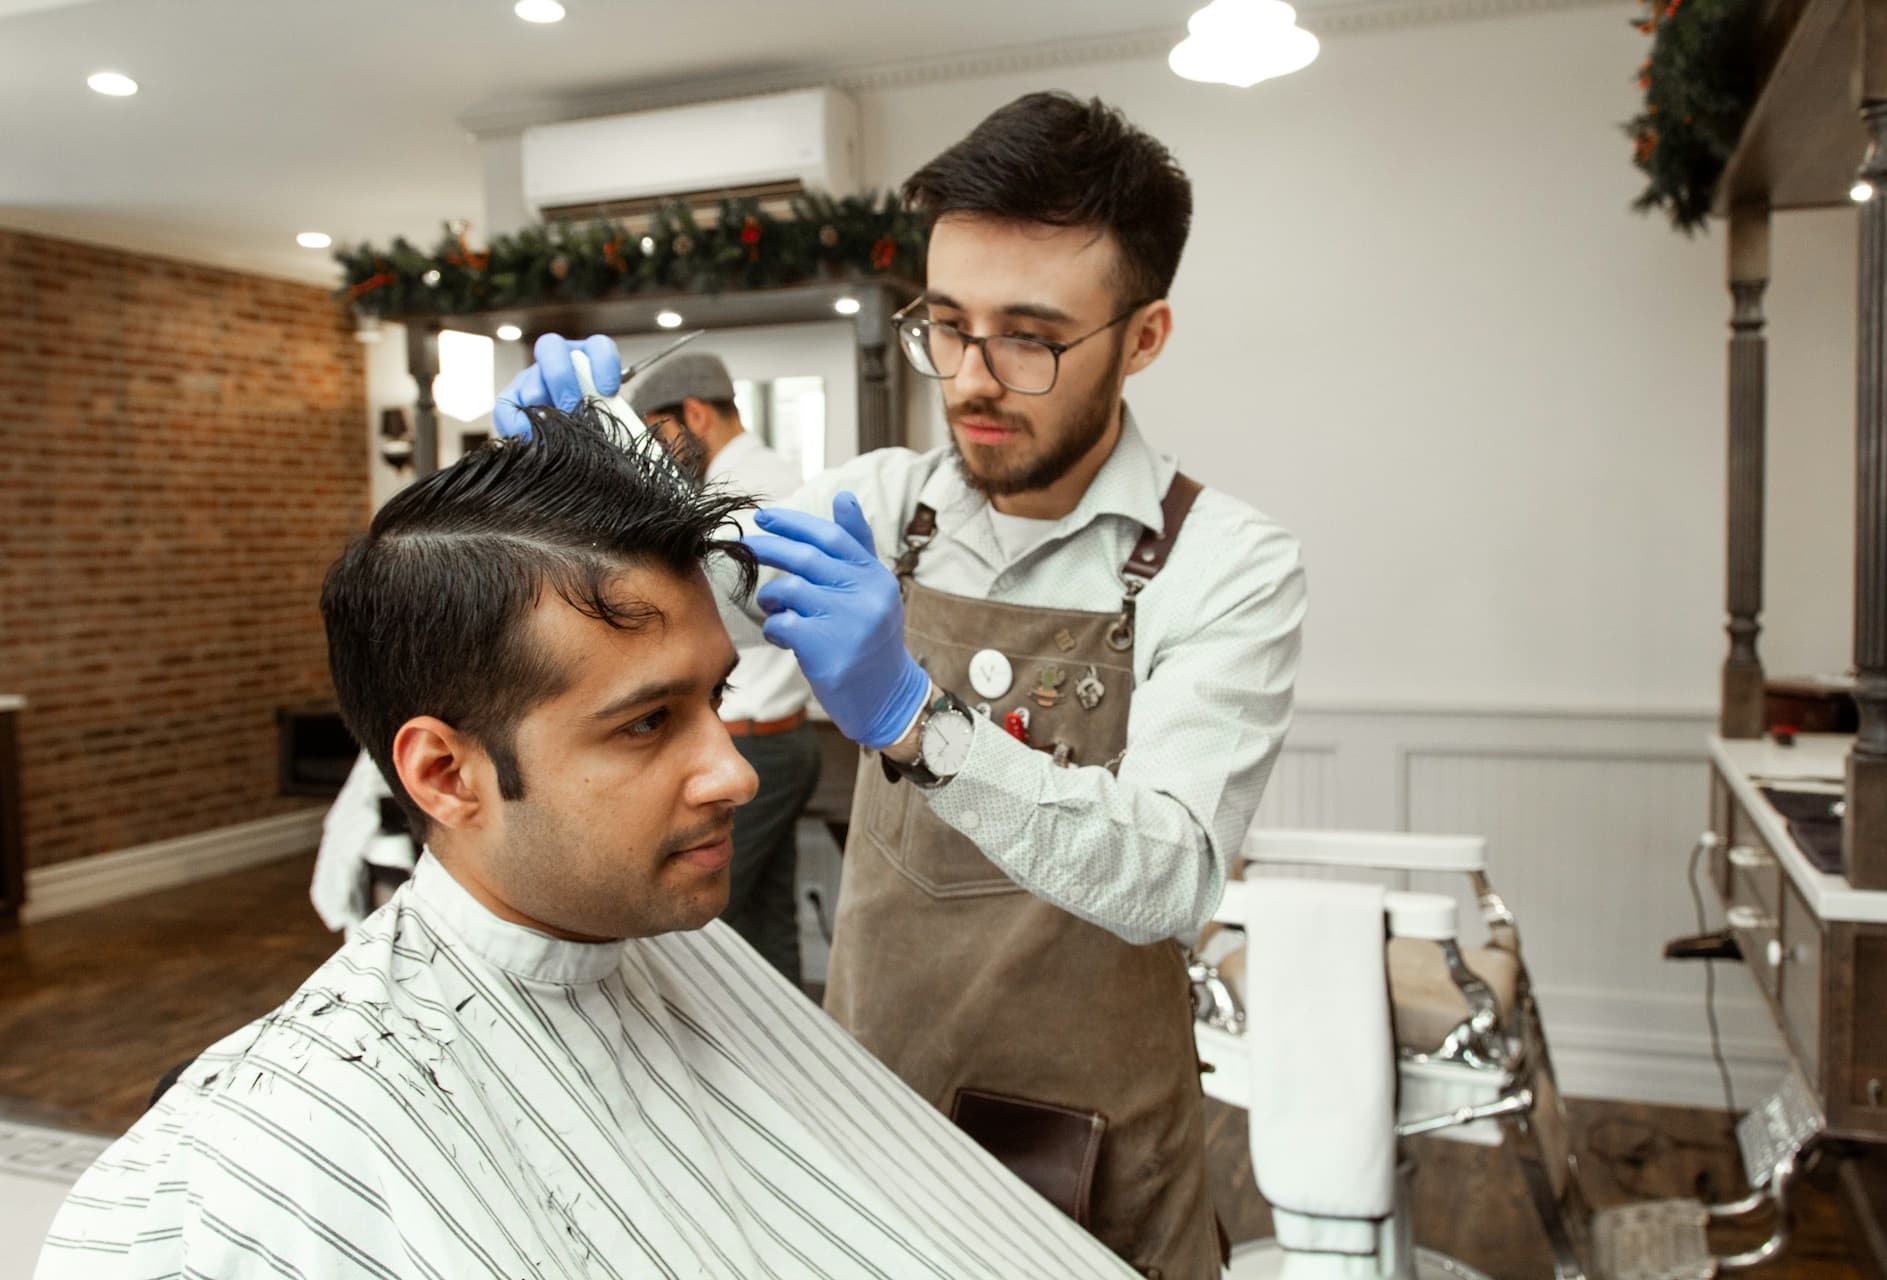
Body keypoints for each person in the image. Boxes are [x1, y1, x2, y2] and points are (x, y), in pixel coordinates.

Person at [34, 400, 1142, 1280]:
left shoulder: (668, 940)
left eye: (716, 697)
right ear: (442, 771)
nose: (735, 769)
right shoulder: (256, 1159)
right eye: (648, 722)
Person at [498, 92, 1308, 1280]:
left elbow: (1172, 873)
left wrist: (917, 724)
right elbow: (688, 581)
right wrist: (588, 457)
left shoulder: (1225, 563)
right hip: (869, 1097)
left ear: (1143, 337)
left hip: (1086, 1140)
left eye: (1030, 335)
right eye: (946, 323)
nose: (972, 378)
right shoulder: (881, 505)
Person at [629, 352, 818, 986]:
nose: (657, 454)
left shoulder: (747, 494)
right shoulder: (769, 473)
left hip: (753, 742)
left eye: (659, 434)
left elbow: (697, 617)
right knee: (767, 927)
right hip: (776, 738)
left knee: (695, 942)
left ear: (697, 414)